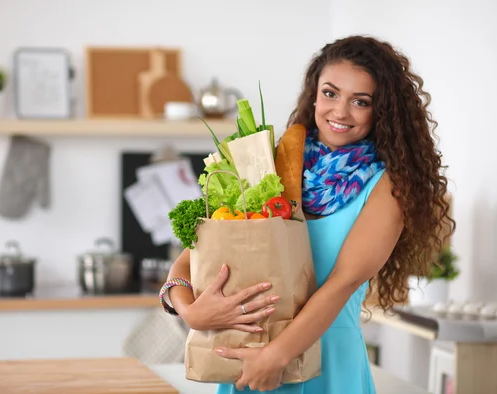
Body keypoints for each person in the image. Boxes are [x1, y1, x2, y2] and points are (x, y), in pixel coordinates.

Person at [160, 35, 455, 393]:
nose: (340, 112)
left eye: (360, 101)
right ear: (314, 95)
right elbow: (191, 259)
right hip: (249, 360)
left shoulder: (388, 187)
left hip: (325, 363)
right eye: (330, 93)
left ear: (382, 111)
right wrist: (188, 310)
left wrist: (276, 357)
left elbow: (342, 283)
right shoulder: (270, 166)